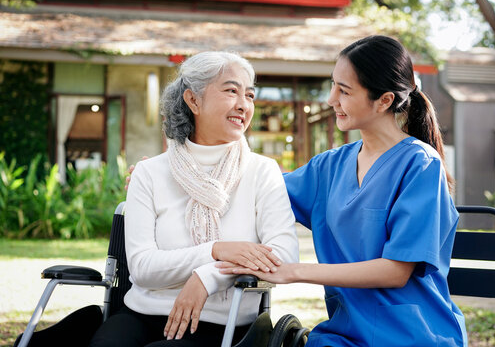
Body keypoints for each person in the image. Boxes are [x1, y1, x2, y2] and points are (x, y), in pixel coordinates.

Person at [218, 35, 467, 346]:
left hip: (411, 334)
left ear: (384, 100)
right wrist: (169, 175)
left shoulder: (420, 165)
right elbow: (257, 191)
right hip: (344, 334)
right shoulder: (329, 167)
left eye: (344, 90)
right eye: (333, 85)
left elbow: (395, 271)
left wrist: (293, 271)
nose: (330, 99)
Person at [90, 51, 298, 347]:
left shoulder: (262, 171)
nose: (244, 104)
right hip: (142, 314)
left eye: (249, 95)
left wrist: (208, 277)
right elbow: (143, 268)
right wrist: (215, 250)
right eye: (231, 91)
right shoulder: (149, 173)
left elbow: (284, 255)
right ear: (193, 100)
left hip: (223, 325)